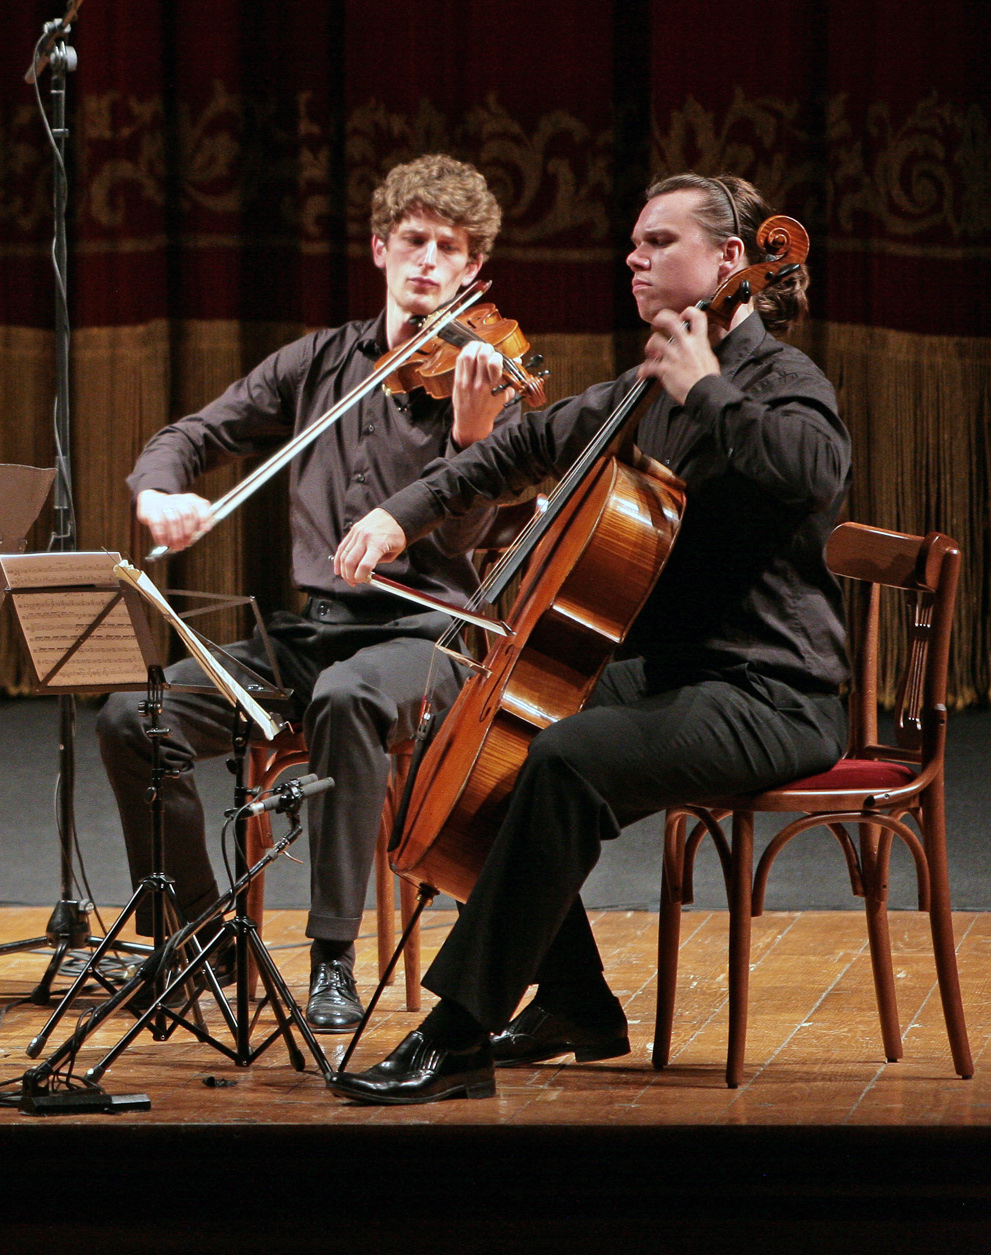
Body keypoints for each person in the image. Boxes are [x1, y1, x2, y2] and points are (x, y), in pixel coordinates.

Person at [327, 173, 848, 1104]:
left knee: (564, 758)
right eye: (634, 242)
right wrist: (401, 517)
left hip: (774, 694)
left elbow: (815, 476)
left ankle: (456, 1034)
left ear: (730, 260)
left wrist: (709, 393)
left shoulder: (778, 381)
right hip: (675, 676)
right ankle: (574, 1001)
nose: (633, 257)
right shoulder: (643, 387)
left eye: (657, 242)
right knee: (494, 740)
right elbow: (510, 452)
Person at [99, 154, 514, 1034]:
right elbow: (194, 432)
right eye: (414, 240)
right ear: (378, 247)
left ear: (473, 268)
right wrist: (158, 490)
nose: (429, 261)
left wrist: (470, 443)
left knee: (346, 695)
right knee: (134, 716)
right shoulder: (319, 362)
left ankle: (331, 957)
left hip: (424, 637)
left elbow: (468, 541)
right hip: (312, 629)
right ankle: (208, 938)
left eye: (450, 247)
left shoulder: (485, 384)